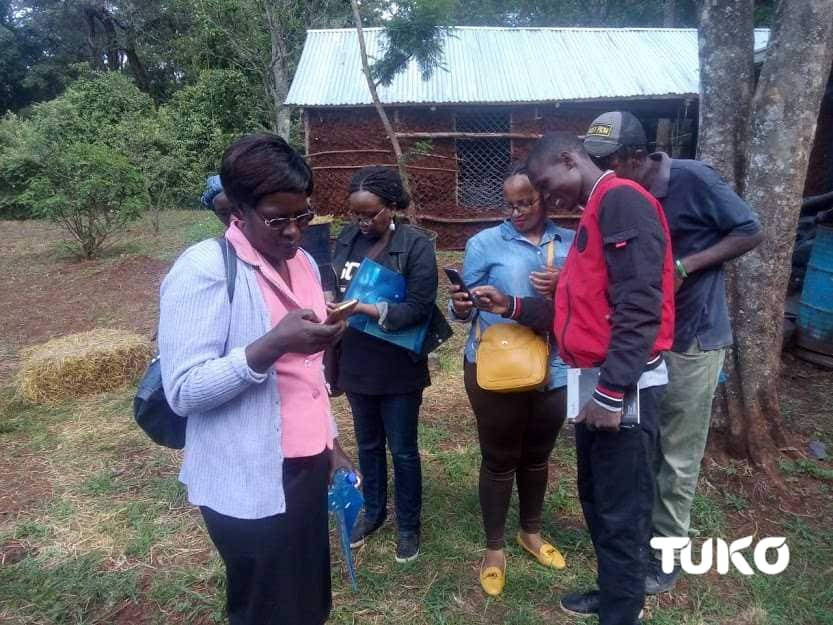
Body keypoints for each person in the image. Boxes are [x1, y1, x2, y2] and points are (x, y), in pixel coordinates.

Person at [159, 134, 356, 625]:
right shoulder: (204, 269)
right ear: (238, 211)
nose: (293, 232)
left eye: (303, 216)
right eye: (277, 219)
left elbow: (304, 376)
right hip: (248, 476)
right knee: (266, 607)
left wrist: (330, 443)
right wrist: (271, 345)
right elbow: (182, 390)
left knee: (308, 599)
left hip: (307, 466)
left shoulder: (306, 263)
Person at [582, 111, 764, 594]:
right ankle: (638, 542)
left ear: (637, 159)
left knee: (678, 456)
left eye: (609, 162)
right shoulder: (614, 196)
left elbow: (750, 229)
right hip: (642, 341)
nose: (599, 172)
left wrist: (684, 265)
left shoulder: (691, 180)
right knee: (645, 446)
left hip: (691, 337)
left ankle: (666, 557)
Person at [525, 133, 675, 625]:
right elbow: (588, 310)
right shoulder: (597, 209)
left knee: (621, 509)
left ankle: (621, 611)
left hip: (622, 386)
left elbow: (640, 305)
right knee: (597, 498)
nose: (549, 199)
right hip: (593, 379)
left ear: (571, 159)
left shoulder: (623, 202)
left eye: (548, 184)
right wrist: (512, 306)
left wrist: (611, 392)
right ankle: (614, 593)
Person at [448, 164, 573, 597]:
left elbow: (587, 304)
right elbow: (464, 307)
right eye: (510, 204)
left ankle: (531, 533)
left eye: (527, 202)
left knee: (537, 456)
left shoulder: (572, 243)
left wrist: (563, 286)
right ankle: (495, 547)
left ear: (546, 199)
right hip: (497, 364)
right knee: (499, 458)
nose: (518, 211)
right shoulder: (485, 243)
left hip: (555, 366)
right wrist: (463, 304)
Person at [331, 166, 451, 563]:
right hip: (357, 361)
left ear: (392, 207)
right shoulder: (346, 240)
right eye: (356, 214)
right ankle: (375, 511)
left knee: (401, 449)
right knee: (367, 444)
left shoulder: (415, 246)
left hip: (398, 365)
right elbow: (335, 285)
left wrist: (366, 308)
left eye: (371, 214)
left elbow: (418, 307)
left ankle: (408, 525)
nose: (363, 222)